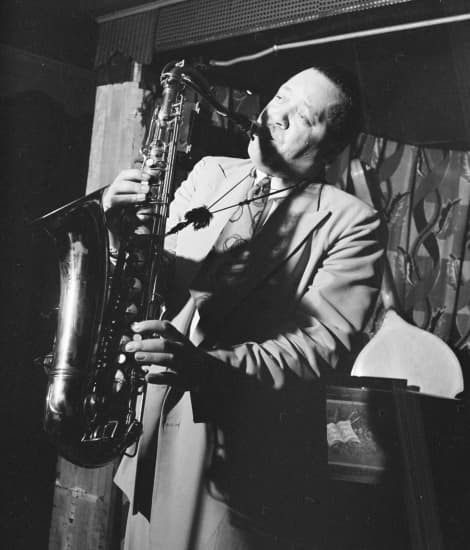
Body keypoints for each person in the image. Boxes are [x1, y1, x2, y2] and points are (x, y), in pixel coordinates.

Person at [103, 66, 384, 550]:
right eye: (281, 96)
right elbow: (152, 278)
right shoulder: (210, 172)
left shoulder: (354, 223)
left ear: (331, 151)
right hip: (148, 436)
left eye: (304, 116)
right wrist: (116, 235)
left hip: (239, 461)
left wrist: (204, 367)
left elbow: (318, 349)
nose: (277, 115)